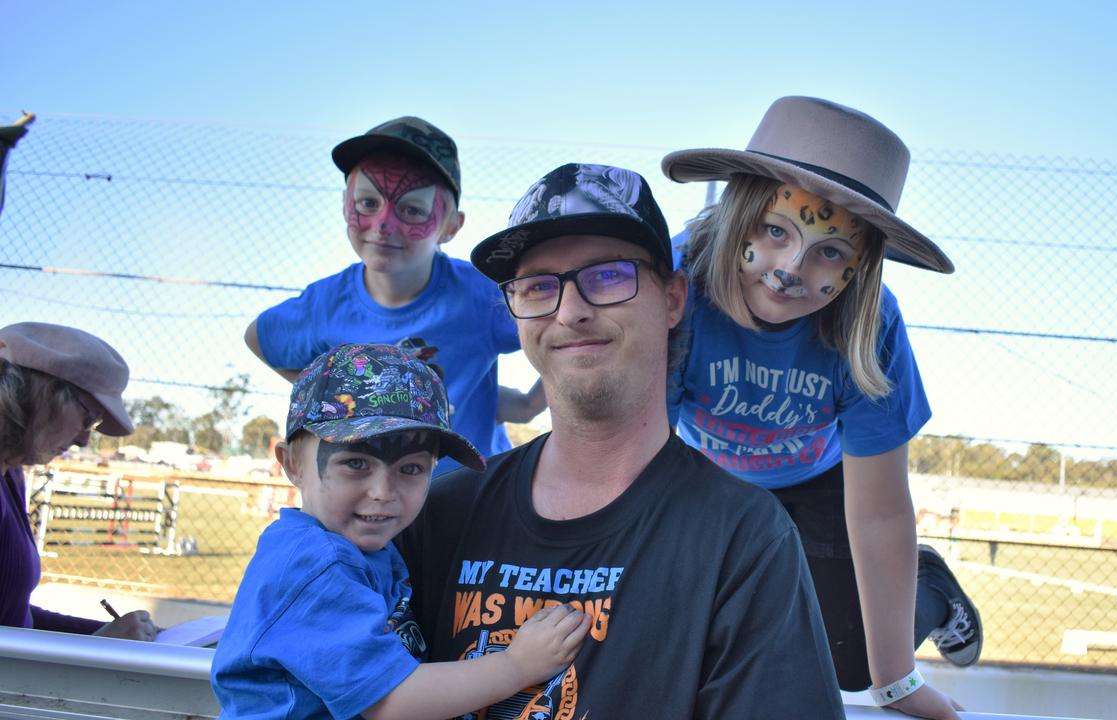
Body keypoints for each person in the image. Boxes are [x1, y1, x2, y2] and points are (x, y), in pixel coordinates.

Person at [397, 163, 845, 719]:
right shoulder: (438, 514)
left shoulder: (741, 539)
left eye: (608, 276)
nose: (571, 311)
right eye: (537, 286)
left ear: (674, 298)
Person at [661, 96, 979, 718]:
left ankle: (930, 588)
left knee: (848, 664)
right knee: (694, 635)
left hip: (820, 481)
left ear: (860, 267)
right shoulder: (677, 281)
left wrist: (899, 683)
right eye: (775, 231)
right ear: (736, 212)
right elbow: (643, 463)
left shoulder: (870, 325)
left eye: (830, 252)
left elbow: (881, 510)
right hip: (708, 476)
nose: (789, 270)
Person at [212, 343, 588, 719]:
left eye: (410, 469)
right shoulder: (315, 566)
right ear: (292, 464)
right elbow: (391, 702)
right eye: (355, 463)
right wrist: (517, 666)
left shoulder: (361, 550)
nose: (383, 493)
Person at [244, 116, 544, 475]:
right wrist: (333, 393)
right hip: (377, 502)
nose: (384, 224)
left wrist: (530, 405)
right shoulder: (325, 306)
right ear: (344, 204)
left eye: (412, 209)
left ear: (451, 226)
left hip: (471, 500)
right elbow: (258, 337)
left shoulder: (480, 295)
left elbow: (555, 324)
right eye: (368, 203)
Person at [0, 322, 157, 640]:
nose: (85, 440)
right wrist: (101, 644)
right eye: (89, 418)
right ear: (42, 394)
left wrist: (103, 635)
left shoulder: (11, 470)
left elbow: (15, 616)